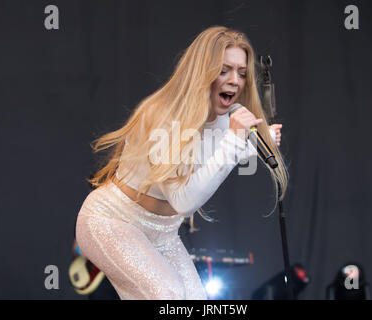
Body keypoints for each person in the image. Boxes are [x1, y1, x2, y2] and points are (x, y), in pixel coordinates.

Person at [75, 25, 288, 300]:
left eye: (242, 73)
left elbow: (215, 149)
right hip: (112, 222)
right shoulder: (163, 116)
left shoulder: (222, 123)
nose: (235, 80)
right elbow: (184, 201)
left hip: (163, 233)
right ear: (202, 72)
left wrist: (259, 141)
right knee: (168, 296)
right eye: (224, 70)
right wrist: (237, 142)